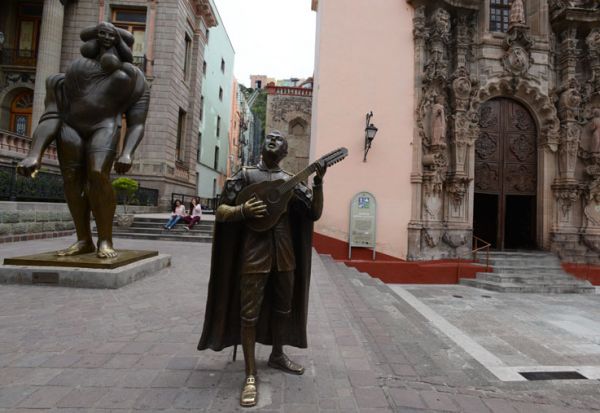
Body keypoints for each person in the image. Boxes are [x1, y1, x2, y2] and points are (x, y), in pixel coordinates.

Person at [198, 130, 326, 408]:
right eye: (268, 136)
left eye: (279, 139)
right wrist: (242, 211)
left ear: (285, 151)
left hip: (284, 252)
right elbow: (221, 211)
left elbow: (313, 214)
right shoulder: (244, 175)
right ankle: (250, 373)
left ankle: (277, 354)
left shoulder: (290, 182)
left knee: (283, 307)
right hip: (253, 251)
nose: (272, 139)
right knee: (249, 312)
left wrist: (319, 184)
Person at [16, 22, 150, 258]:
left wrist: (127, 151)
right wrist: (33, 154)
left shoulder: (135, 80)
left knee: (98, 173)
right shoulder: (63, 78)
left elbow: (137, 122)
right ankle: (83, 239)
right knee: (71, 179)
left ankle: (105, 240)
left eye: (114, 39)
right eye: (103, 36)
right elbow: (51, 115)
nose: (108, 43)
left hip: (105, 125)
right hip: (71, 126)